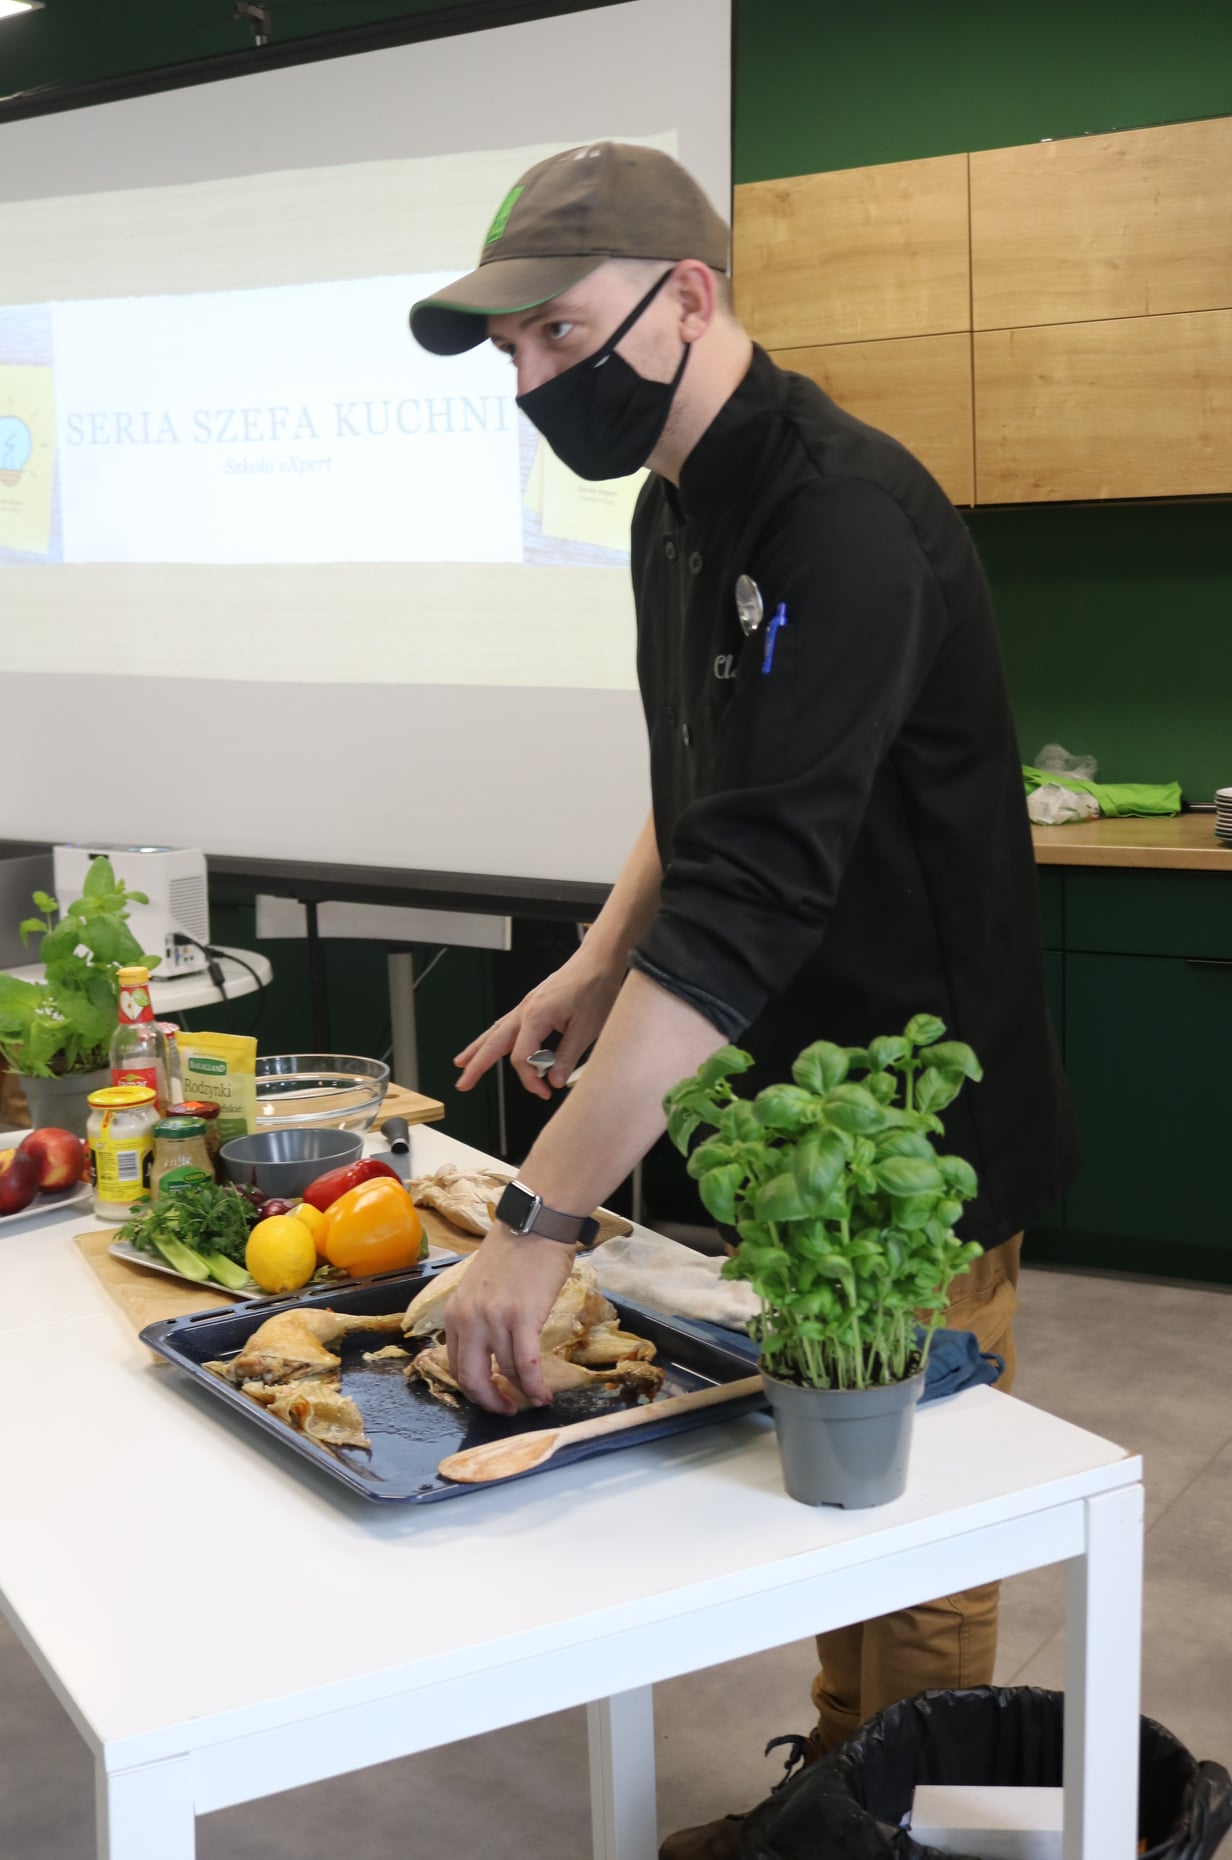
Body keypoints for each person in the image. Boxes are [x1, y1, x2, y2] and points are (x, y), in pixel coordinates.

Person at [409, 142, 1078, 1859]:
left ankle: (906, 1824)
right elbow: (703, 787)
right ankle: (842, 1800)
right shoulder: (676, 510)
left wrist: (541, 1219)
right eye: (508, 355)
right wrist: (596, 950)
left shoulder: (843, 517)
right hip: (772, 1110)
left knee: (911, 1511)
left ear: (685, 296)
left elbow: (761, 886)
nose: (529, 385)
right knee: (818, 1475)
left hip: (910, 1127)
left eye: (556, 338)